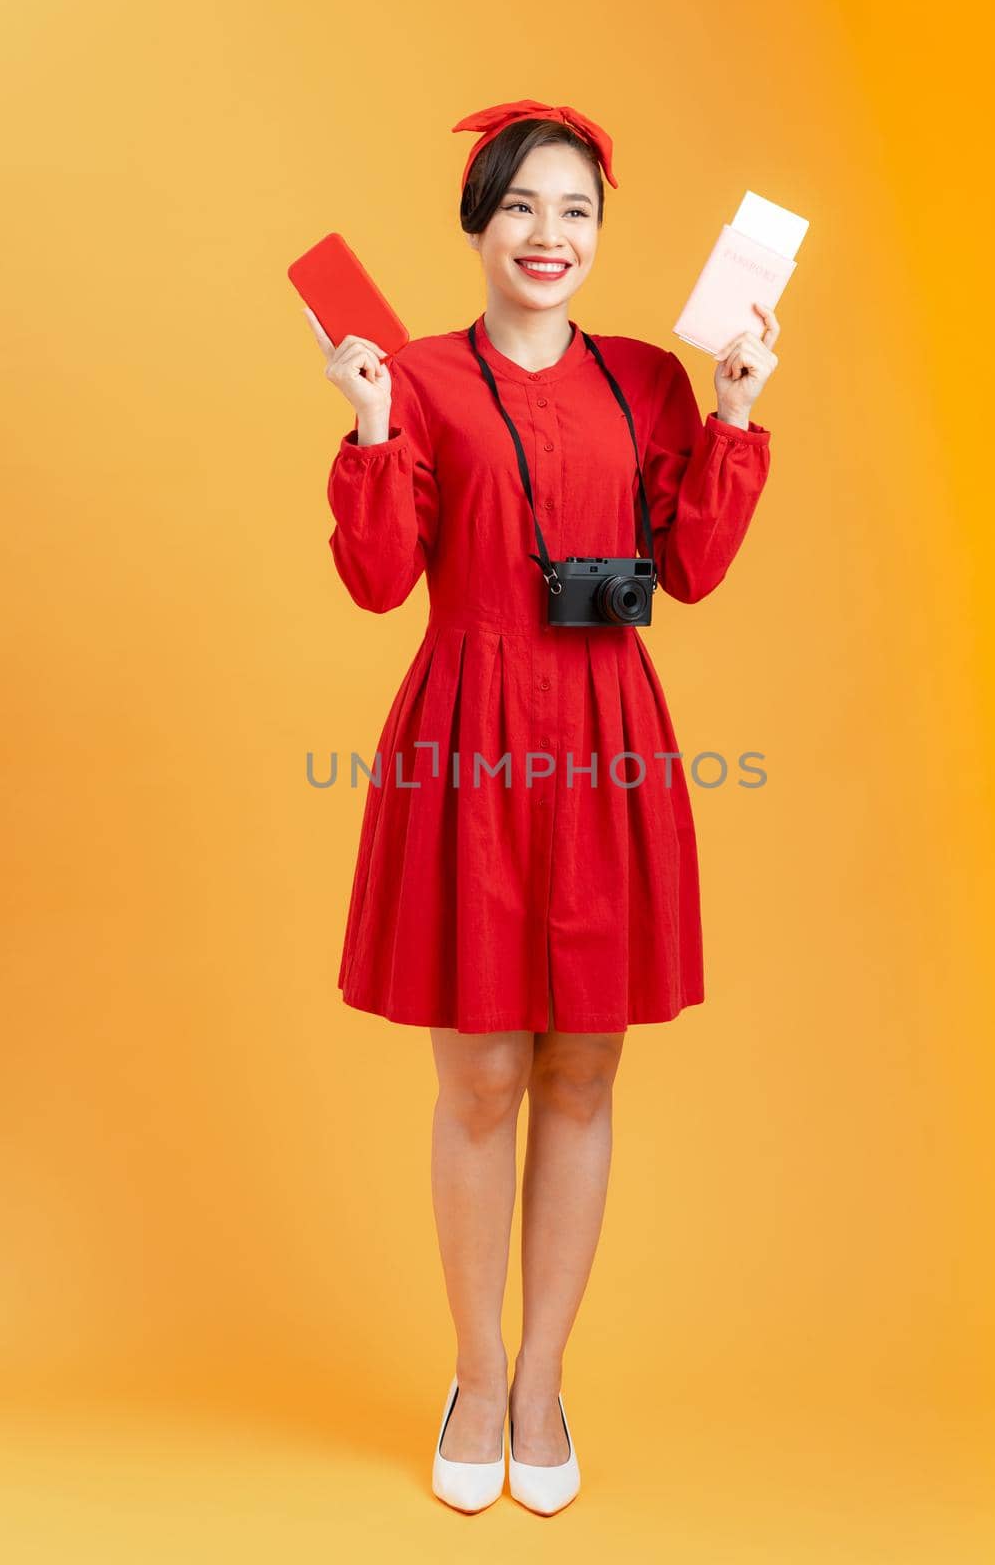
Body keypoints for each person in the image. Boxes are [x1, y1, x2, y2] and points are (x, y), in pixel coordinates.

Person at [305, 99, 781, 1515]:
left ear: (599, 232)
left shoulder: (648, 380)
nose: (550, 235)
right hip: (467, 732)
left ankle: (544, 1384)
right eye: (521, 206)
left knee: (583, 1070)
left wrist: (740, 407)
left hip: (605, 738)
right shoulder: (417, 372)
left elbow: (687, 566)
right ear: (478, 224)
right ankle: (474, 1368)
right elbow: (382, 581)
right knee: (482, 1078)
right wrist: (375, 424)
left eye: (576, 209)